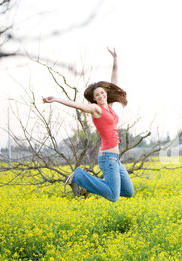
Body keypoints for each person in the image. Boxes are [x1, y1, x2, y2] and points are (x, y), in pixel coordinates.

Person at [42, 47, 134, 202]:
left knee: (128, 192)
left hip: (115, 158)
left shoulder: (109, 107)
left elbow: (114, 83)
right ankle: (79, 176)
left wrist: (115, 60)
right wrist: (56, 99)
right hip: (107, 157)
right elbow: (77, 105)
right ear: (94, 99)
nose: (101, 95)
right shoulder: (96, 109)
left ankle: (86, 182)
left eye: (102, 93)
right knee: (113, 196)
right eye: (97, 95)